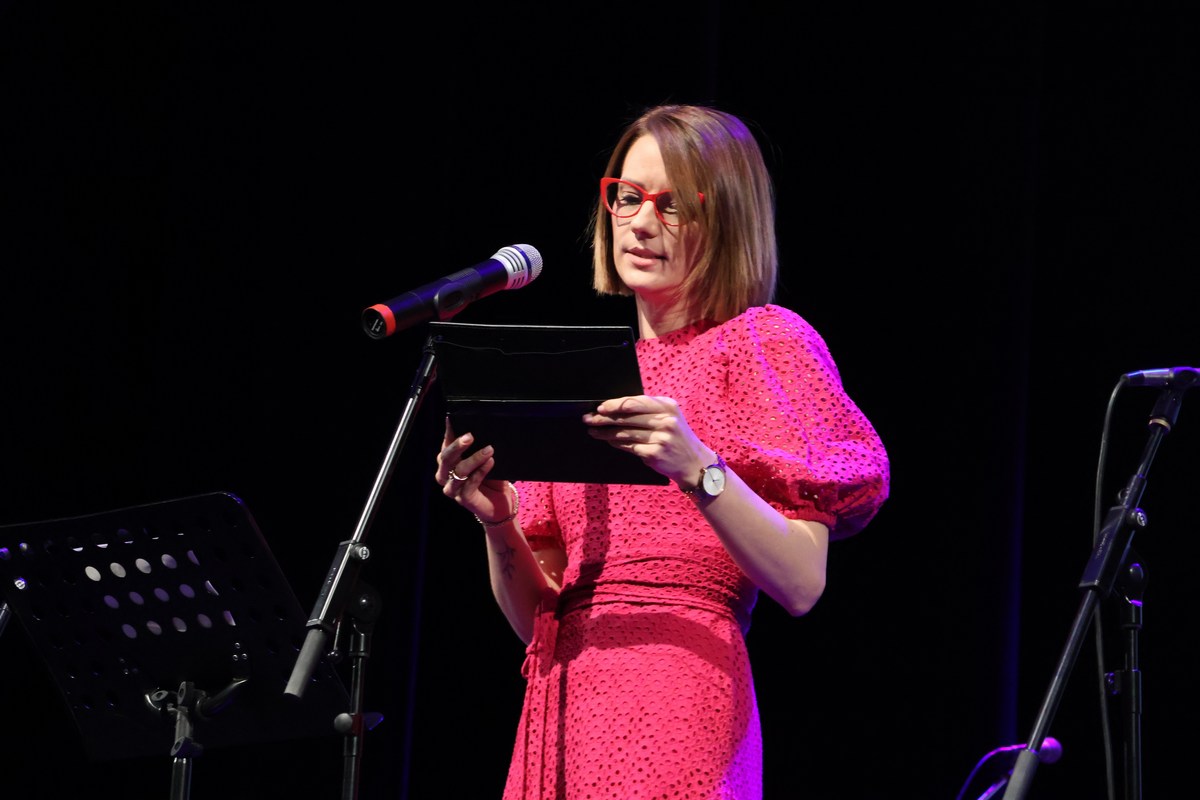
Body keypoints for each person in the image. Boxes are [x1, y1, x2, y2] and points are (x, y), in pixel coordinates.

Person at [434, 103, 890, 800]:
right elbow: (537, 621)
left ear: (726, 219)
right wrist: (497, 521)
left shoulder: (762, 345)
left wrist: (697, 468)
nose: (642, 222)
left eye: (673, 206)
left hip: (681, 701)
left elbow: (802, 584)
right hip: (563, 710)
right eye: (628, 196)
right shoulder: (589, 376)